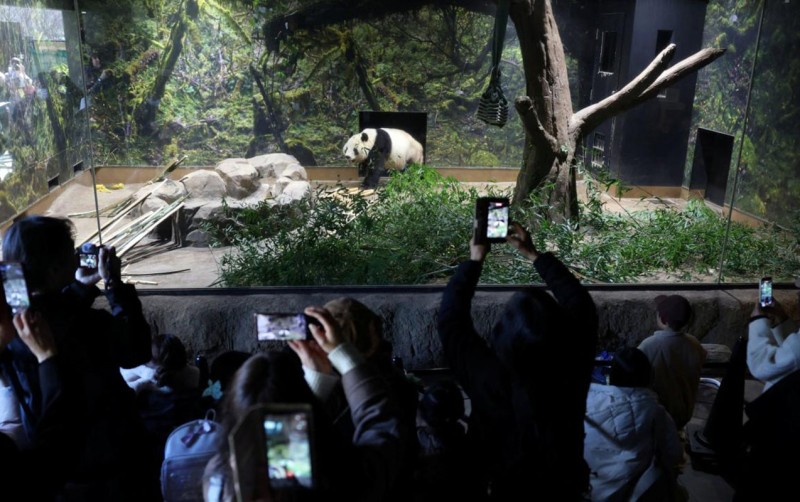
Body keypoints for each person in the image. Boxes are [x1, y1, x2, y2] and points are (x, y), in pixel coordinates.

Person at [437, 221, 598, 500]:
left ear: (500, 336)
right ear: (561, 327)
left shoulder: (489, 376)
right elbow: (581, 303)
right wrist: (535, 255)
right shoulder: (573, 362)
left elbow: (451, 322)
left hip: (502, 486)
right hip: (563, 484)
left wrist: (475, 259)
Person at [0, 215, 156, 500]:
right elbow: (136, 352)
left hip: (53, 468)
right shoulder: (92, 325)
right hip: (112, 466)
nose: (77, 258)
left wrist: (81, 287)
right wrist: (114, 286)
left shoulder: (13, 329)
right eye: (71, 252)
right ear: (56, 267)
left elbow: (53, 315)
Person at [203, 305, 409, 501]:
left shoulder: (219, 481)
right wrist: (345, 356)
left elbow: (275, 446)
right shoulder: (346, 480)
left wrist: (316, 382)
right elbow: (382, 426)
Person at [287, 297, 419, 501]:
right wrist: (348, 361)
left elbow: (286, 459)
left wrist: (314, 384)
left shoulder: (284, 477)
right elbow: (384, 429)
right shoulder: (401, 392)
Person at [584, 347, 685, 501]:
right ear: (648, 378)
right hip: (631, 493)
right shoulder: (657, 413)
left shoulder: (586, 402)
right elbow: (674, 454)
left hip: (587, 488)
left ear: (610, 376)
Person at [735, 278, 800, 500]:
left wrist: (759, 321)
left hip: (786, 425)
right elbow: (794, 351)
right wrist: (782, 321)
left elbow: (764, 364)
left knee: (762, 480)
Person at [638, 294, 707, 431]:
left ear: (662, 319)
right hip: (684, 412)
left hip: (658, 415)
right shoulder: (694, 344)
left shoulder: (650, 345)